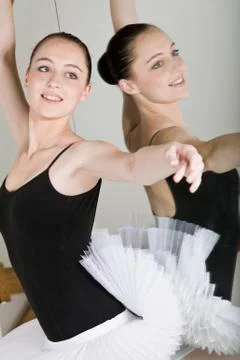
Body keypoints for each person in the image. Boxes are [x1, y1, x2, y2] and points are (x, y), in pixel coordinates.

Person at [0, 1, 210, 360]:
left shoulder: (81, 155)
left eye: (71, 74)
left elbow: (129, 166)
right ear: (28, 77)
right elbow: (3, 54)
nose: (54, 81)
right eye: (45, 68)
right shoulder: (27, 145)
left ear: (85, 91)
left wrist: (172, 153)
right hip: (54, 342)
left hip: (100, 338)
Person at [98, 0, 240, 305]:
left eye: (173, 52)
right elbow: (208, 152)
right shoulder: (172, 142)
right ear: (129, 85)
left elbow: (127, 36)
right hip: (197, 317)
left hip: (180, 294)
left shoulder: (136, 127)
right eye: (157, 64)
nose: (177, 66)